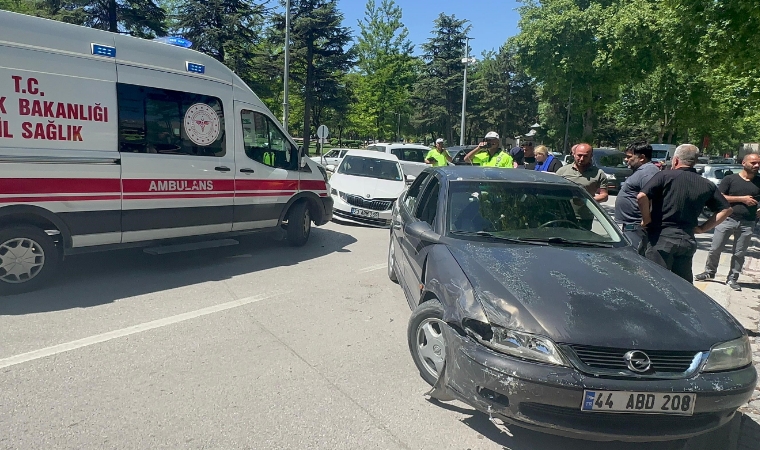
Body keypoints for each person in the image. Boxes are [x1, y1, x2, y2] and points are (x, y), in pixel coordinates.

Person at [637, 144, 732, 283]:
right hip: (687, 240)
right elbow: (726, 209)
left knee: (654, 283)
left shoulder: (665, 176)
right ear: (695, 162)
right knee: (682, 286)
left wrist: (646, 219)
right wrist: (702, 228)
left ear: (675, 160)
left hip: (661, 237)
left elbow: (641, 196)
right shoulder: (706, 184)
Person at [694, 153, 760, 290]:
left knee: (739, 253)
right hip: (727, 219)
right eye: (753, 163)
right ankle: (709, 272)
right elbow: (721, 197)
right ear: (744, 163)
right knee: (715, 248)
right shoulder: (730, 179)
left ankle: (733, 278)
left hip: (748, 222)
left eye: (758, 163)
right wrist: (742, 199)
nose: (757, 165)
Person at [614, 141, 659, 254]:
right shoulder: (641, 171)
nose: (626, 159)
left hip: (637, 226)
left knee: (634, 258)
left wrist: (645, 221)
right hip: (632, 226)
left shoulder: (648, 172)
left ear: (642, 157)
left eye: (629, 157)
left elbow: (650, 198)